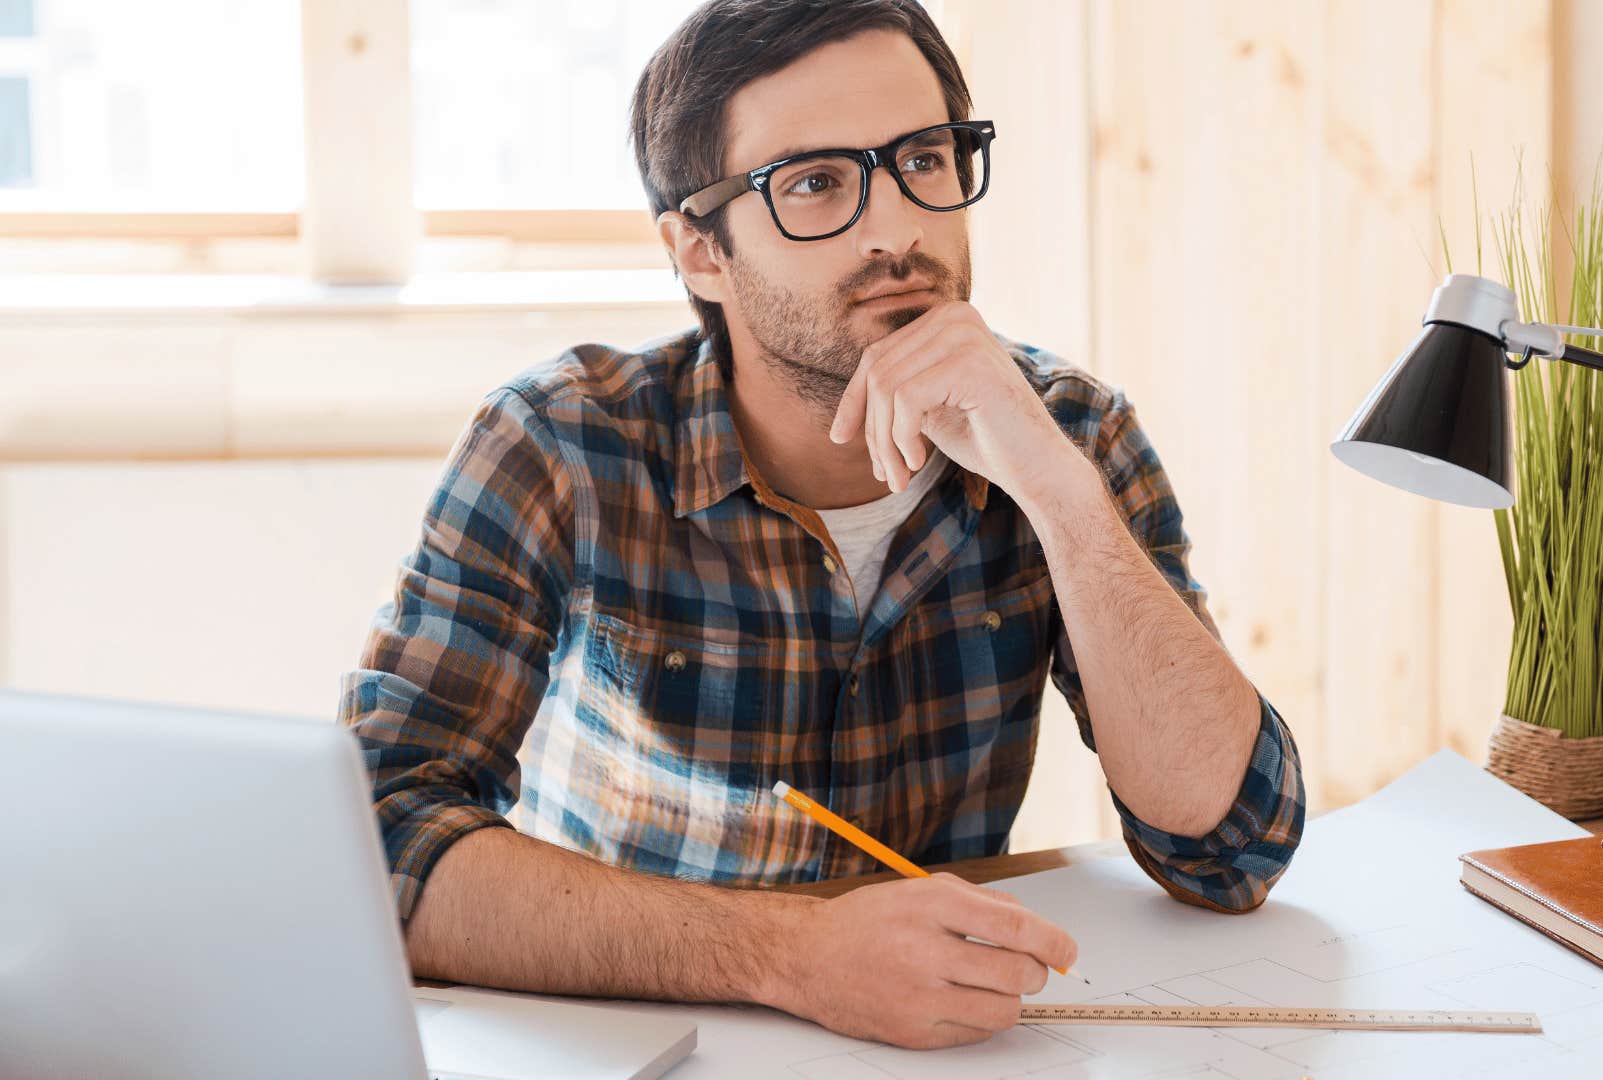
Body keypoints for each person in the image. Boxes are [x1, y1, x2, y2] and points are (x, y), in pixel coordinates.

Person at [340, 0, 1305, 1051]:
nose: (897, 229)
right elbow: (374, 844)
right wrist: (784, 956)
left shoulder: (1070, 433)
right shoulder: (561, 445)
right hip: (641, 1044)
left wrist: (1061, 496)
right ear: (698, 252)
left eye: (925, 160)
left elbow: (1232, 851)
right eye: (815, 184)